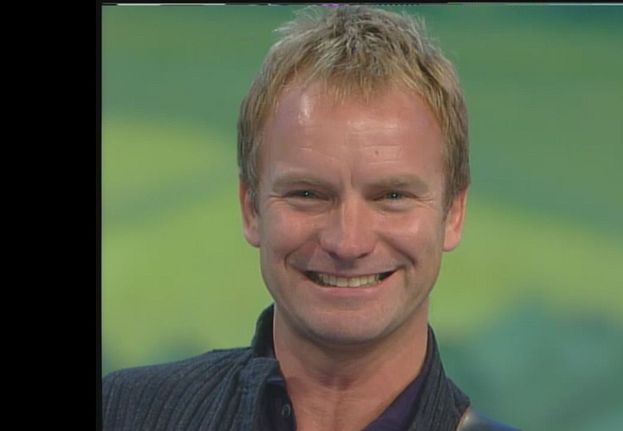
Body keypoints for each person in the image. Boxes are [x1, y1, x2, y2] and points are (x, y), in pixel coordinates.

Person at [102, 5, 519, 431]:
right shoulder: (124, 414)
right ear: (251, 207)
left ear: (453, 213)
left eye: (392, 196)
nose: (348, 242)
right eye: (308, 195)